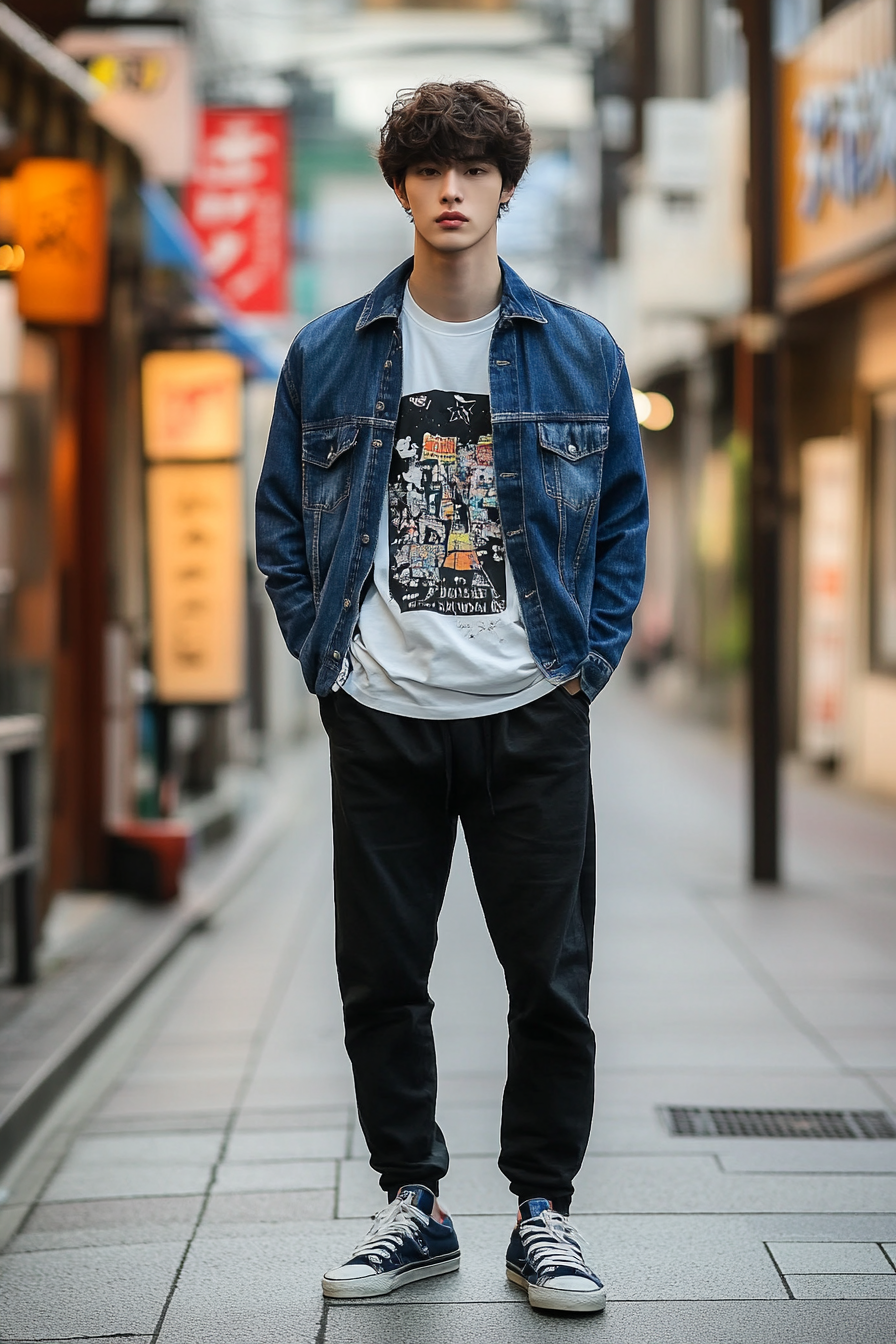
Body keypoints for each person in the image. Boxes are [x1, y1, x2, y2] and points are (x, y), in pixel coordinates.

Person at [255, 80, 648, 1315]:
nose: (450, 190)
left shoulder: (579, 351)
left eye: (473, 170)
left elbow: (625, 523)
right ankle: (412, 1205)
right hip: (381, 712)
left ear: (505, 189)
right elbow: (281, 526)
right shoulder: (329, 351)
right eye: (428, 170)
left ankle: (542, 1214)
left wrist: (582, 662)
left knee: (550, 977)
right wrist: (329, 660)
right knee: (382, 975)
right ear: (400, 189)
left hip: (531, 707)